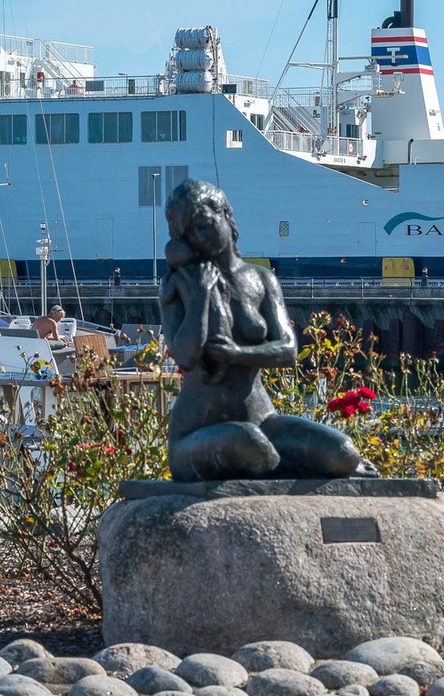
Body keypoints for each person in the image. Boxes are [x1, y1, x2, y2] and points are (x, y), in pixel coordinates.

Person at [160, 179, 374, 481]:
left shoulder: (261, 280)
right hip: (197, 435)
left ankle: (313, 464)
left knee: (343, 452)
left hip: (263, 420)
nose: (200, 237)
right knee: (251, 446)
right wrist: (199, 298)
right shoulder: (180, 283)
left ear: (225, 214)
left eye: (206, 224)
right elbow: (184, 356)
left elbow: (288, 349)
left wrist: (237, 354)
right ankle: (297, 467)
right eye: (190, 232)